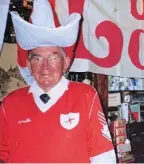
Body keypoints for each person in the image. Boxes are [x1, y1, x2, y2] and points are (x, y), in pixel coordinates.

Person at [0, 0, 116, 163]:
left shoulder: (85, 96)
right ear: (29, 65)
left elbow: (103, 156)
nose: (45, 67)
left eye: (53, 58)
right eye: (37, 58)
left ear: (66, 63)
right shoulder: (9, 104)